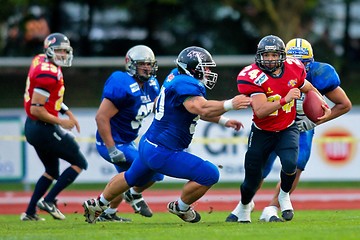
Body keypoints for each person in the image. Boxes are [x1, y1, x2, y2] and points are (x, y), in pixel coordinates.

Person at [82, 46, 252, 224]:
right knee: (210, 174)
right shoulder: (185, 84)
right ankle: (181, 207)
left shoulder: (176, 77)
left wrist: (223, 121)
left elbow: (196, 111)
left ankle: (98, 203)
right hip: (164, 151)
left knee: (130, 177)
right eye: (205, 68)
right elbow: (199, 107)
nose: (208, 72)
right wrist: (230, 103)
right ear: (193, 68)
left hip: (149, 144)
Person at [224, 35, 331, 223]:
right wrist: (285, 99)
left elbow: (306, 86)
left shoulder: (294, 67)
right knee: (252, 179)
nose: (270, 59)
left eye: (274, 55)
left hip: (287, 128)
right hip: (262, 131)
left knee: (291, 163)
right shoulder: (252, 76)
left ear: (282, 56)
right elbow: (261, 110)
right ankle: (244, 206)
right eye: (266, 55)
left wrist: (320, 101)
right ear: (259, 56)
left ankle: (283, 195)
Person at [255, 38, 352, 222]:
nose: (299, 66)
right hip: (273, 123)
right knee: (261, 163)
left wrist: (314, 122)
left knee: (297, 164)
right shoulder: (269, 72)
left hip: (300, 125)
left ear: (312, 62)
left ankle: (272, 208)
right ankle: (245, 204)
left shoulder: (320, 74)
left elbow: (344, 104)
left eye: (304, 63)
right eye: (294, 62)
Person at [21, 33, 88, 221]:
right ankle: (49, 200)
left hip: (32, 127)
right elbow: (37, 108)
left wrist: (66, 111)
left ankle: (30, 212)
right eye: (58, 50)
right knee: (79, 162)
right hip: (43, 127)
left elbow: (50, 98)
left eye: (65, 51)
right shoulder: (48, 73)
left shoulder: (40, 61)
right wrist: (62, 122)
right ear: (49, 50)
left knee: (51, 171)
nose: (62, 54)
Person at [94, 45, 164, 222]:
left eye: (149, 64)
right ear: (131, 64)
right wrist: (111, 148)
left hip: (128, 140)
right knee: (155, 169)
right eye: (142, 64)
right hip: (112, 142)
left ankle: (108, 213)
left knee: (126, 178)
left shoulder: (152, 84)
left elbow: (158, 108)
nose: (147, 68)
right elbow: (101, 117)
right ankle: (133, 195)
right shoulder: (121, 82)